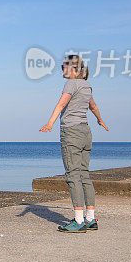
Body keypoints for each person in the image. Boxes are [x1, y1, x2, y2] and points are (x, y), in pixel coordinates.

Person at [39, 54, 109, 233]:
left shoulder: (71, 83)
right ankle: (90, 219)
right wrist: (100, 120)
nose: (62, 69)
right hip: (86, 132)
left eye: (64, 66)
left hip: (71, 132)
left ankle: (78, 221)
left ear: (73, 68)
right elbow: (93, 106)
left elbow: (61, 105)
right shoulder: (87, 85)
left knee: (73, 176)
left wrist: (50, 123)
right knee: (84, 175)